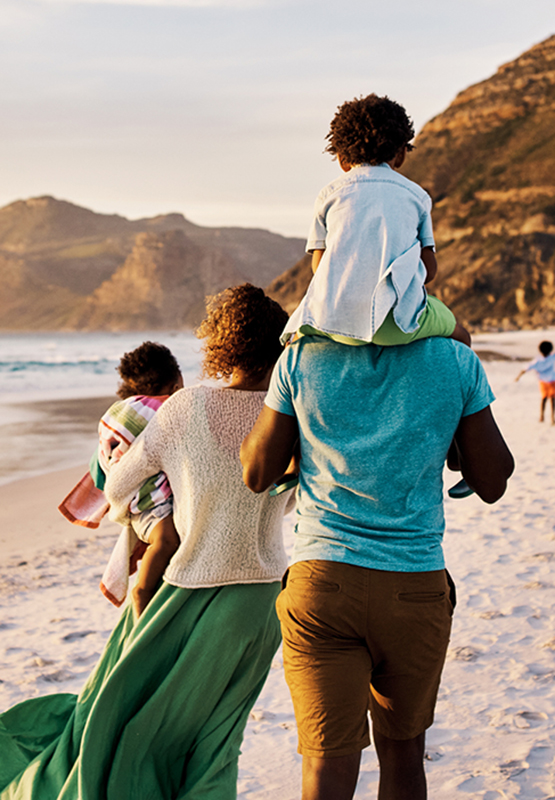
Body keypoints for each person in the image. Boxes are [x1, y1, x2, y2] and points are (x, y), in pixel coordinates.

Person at [0, 284, 294, 800]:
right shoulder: (291, 417)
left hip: (188, 596)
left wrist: (151, 521)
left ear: (220, 345)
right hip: (261, 603)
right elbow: (289, 495)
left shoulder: (182, 410)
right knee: (219, 743)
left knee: (138, 732)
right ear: (279, 347)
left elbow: (115, 485)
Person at [241, 334, 514, 800]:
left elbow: (256, 473)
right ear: (422, 260)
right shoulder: (455, 359)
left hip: (322, 584)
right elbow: (492, 481)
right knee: (404, 754)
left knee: (326, 762)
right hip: (414, 585)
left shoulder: (301, 357)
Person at [281, 93, 470, 348]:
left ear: (341, 159)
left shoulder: (328, 196)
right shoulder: (417, 196)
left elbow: (319, 267)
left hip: (335, 323)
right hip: (397, 326)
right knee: (461, 336)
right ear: (401, 154)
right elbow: (429, 271)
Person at [59, 340, 183, 617]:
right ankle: (142, 591)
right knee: (166, 541)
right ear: (176, 383)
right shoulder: (165, 409)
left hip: (129, 498)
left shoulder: (122, 411)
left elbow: (99, 464)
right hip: (148, 499)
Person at [515, 339, 555, 424]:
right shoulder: (540, 360)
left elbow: (525, 369)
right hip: (545, 382)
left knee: (548, 399)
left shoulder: (543, 359)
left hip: (550, 381)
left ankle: (550, 417)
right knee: (548, 399)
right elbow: (526, 369)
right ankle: (544, 416)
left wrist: (518, 377)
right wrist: (518, 377)